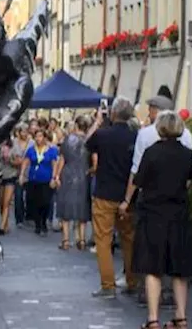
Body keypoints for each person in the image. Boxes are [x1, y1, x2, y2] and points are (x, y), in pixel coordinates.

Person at [129, 111, 192, 329]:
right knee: (180, 269)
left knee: (153, 267)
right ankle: (180, 316)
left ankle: (153, 318)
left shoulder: (151, 152)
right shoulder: (187, 154)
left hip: (153, 214)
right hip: (178, 214)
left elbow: (139, 180)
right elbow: (191, 179)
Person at [85, 96, 139, 299]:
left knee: (103, 240)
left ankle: (108, 285)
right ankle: (132, 280)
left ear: (113, 114)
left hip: (105, 194)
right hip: (127, 195)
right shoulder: (135, 136)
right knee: (129, 240)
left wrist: (98, 121)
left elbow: (87, 143)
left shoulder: (103, 135)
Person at [54, 115, 93, 251]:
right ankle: (81, 239)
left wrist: (56, 176)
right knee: (82, 206)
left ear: (76, 125)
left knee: (65, 206)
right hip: (83, 174)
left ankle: (65, 240)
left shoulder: (67, 140)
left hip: (68, 174)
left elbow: (62, 160)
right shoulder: (89, 141)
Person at [20, 129, 59, 236]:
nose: (38, 139)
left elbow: (54, 164)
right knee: (35, 202)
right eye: (36, 136)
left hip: (46, 180)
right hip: (34, 179)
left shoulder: (51, 150)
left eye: (40, 136)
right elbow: (26, 162)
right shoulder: (31, 150)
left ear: (45, 138)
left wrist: (54, 177)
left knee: (46, 202)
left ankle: (43, 220)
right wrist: (22, 175)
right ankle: (38, 224)